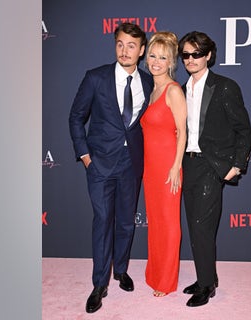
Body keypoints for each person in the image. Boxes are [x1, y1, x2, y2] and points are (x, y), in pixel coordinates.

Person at [68, 22, 154, 314]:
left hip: (132, 165)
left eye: (131, 45)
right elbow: (76, 117)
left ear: (142, 50)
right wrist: (85, 156)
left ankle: (121, 271)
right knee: (103, 220)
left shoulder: (148, 81)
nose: (124, 50)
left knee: (126, 223)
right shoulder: (95, 78)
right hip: (100, 164)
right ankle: (99, 283)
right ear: (114, 45)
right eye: (120, 44)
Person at [178, 31, 251, 307]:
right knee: (194, 226)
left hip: (213, 164)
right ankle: (204, 277)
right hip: (188, 163)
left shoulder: (224, 86)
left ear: (209, 55)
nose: (191, 59)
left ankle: (207, 285)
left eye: (196, 53)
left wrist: (237, 164)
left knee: (201, 227)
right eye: (185, 54)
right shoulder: (180, 89)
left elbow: (243, 130)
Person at [140, 31, 187, 298]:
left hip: (168, 166)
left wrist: (175, 166)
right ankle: (154, 271)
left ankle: (166, 281)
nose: (156, 61)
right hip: (151, 167)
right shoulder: (152, 88)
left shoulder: (173, 90)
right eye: (153, 56)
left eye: (163, 58)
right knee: (156, 221)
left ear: (171, 62)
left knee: (169, 223)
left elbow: (182, 131)